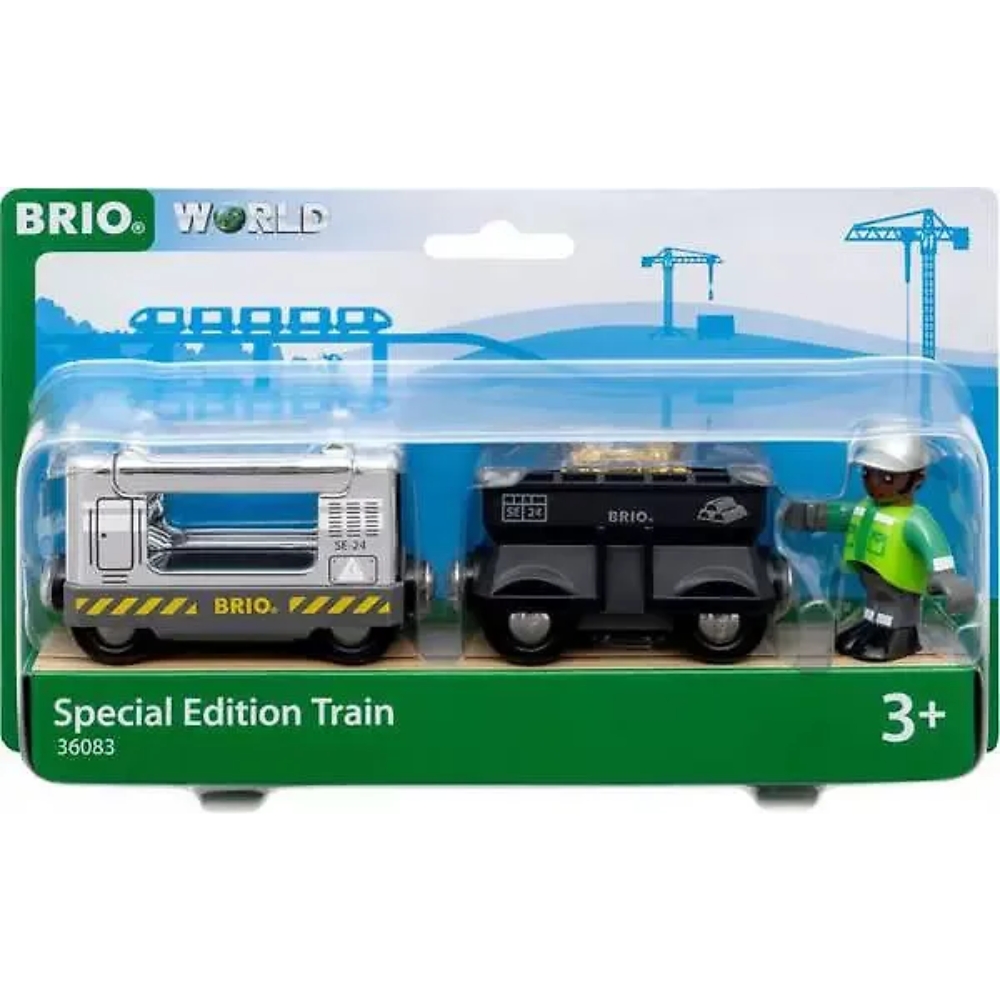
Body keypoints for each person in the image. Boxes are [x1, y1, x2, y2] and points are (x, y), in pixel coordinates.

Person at [783, 433, 975, 662]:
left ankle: (901, 637)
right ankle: (871, 627)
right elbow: (843, 515)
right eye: (867, 474)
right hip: (871, 578)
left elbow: (933, 544)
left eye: (887, 478)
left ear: (917, 478)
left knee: (896, 611)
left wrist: (945, 576)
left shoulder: (914, 520)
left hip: (899, 584)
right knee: (875, 607)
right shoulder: (865, 508)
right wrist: (811, 515)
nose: (874, 484)